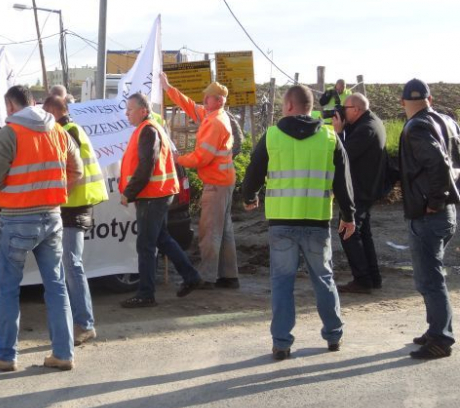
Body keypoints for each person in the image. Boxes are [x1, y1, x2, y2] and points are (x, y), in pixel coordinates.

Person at [241, 84, 356, 360]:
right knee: (324, 279)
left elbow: (254, 172)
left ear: (290, 106)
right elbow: (343, 181)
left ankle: (282, 343)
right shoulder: (329, 138)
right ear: (310, 107)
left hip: (281, 224)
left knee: (282, 283)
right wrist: (349, 215)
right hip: (317, 221)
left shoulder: (272, 137)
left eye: (283, 105)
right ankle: (334, 335)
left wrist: (249, 197)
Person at [0, 85, 83, 371]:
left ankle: (5, 355)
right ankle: (63, 354)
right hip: (52, 217)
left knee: (8, 289)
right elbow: (77, 170)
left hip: (16, 219)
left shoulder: (8, 133)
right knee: (56, 286)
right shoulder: (58, 131)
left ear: (11, 107)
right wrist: (54, 192)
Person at [119, 92, 203, 307]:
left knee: (146, 245)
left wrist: (129, 192)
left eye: (130, 109)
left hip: (153, 195)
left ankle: (146, 294)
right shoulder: (150, 128)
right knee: (161, 239)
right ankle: (191, 276)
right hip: (158, 193)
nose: (126, 113)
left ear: (143, 111)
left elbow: (146, 165)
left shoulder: (148, 130)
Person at [398, 79, 459, 360]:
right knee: (430, 275)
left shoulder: (416, 127)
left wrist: (434, 200)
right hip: (445, 211)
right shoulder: (447, 122)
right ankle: (436, 329)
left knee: (429, 278)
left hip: (429, 212)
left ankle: (440, 338)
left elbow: (437, 162)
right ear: (430, 98)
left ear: (402, 103)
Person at [160, 73, 239, 289]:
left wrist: (178, 159)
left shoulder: (215, 123)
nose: (204, 100)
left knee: (210, 231)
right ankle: (228, 275)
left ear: (219, 100)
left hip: (217, 184)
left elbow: (202, 157)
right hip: (222, 182)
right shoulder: (213, 116)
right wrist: (168, 89)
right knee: (224, 230)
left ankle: (207, 276)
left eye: (208, 97)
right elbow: (189, 106)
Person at [43, 95, 108, 345]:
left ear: (53, 112)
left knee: (71, 265)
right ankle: (78, 321)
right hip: (72, 206)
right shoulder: (70, 129)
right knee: (67, 265)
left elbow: (71, 172)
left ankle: (85, 324)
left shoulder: (66, 131)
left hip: (73, 207)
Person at [331, 93, 387, 293]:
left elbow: (343, 155)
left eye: (344, 108)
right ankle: (373, 277)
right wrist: (345, 127)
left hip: (360, 189)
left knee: (347, 230)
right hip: (367, 187)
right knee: (363, 233)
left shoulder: (366, 128)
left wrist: (337, 133)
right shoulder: (371, 123)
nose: (341, 112)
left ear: (356, 109)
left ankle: (363, 280)